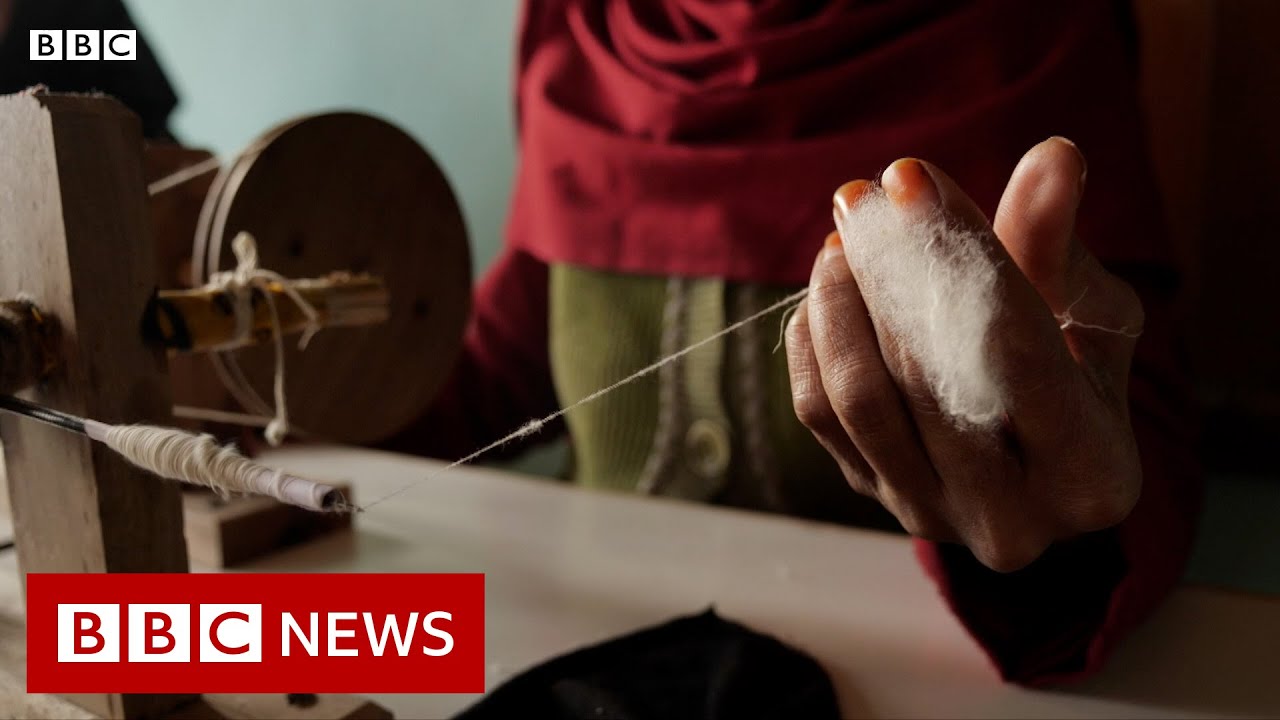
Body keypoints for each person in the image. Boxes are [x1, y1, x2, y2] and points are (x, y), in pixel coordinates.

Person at [385, 0, 1200, 684]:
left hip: (899, 682)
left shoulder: (1041, 26)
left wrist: (1051, 547)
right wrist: (289, 413)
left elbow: (1128, 424)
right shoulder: (579, 23)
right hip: (569, 655)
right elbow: (519, 355)